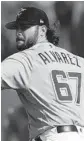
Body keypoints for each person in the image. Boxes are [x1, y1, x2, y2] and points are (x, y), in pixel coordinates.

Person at [1, 7, 84, 141]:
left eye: (25, 26)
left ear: (43, 30)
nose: (19, 32)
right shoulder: (78, 61)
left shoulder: (25, 60)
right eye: (17, 27)